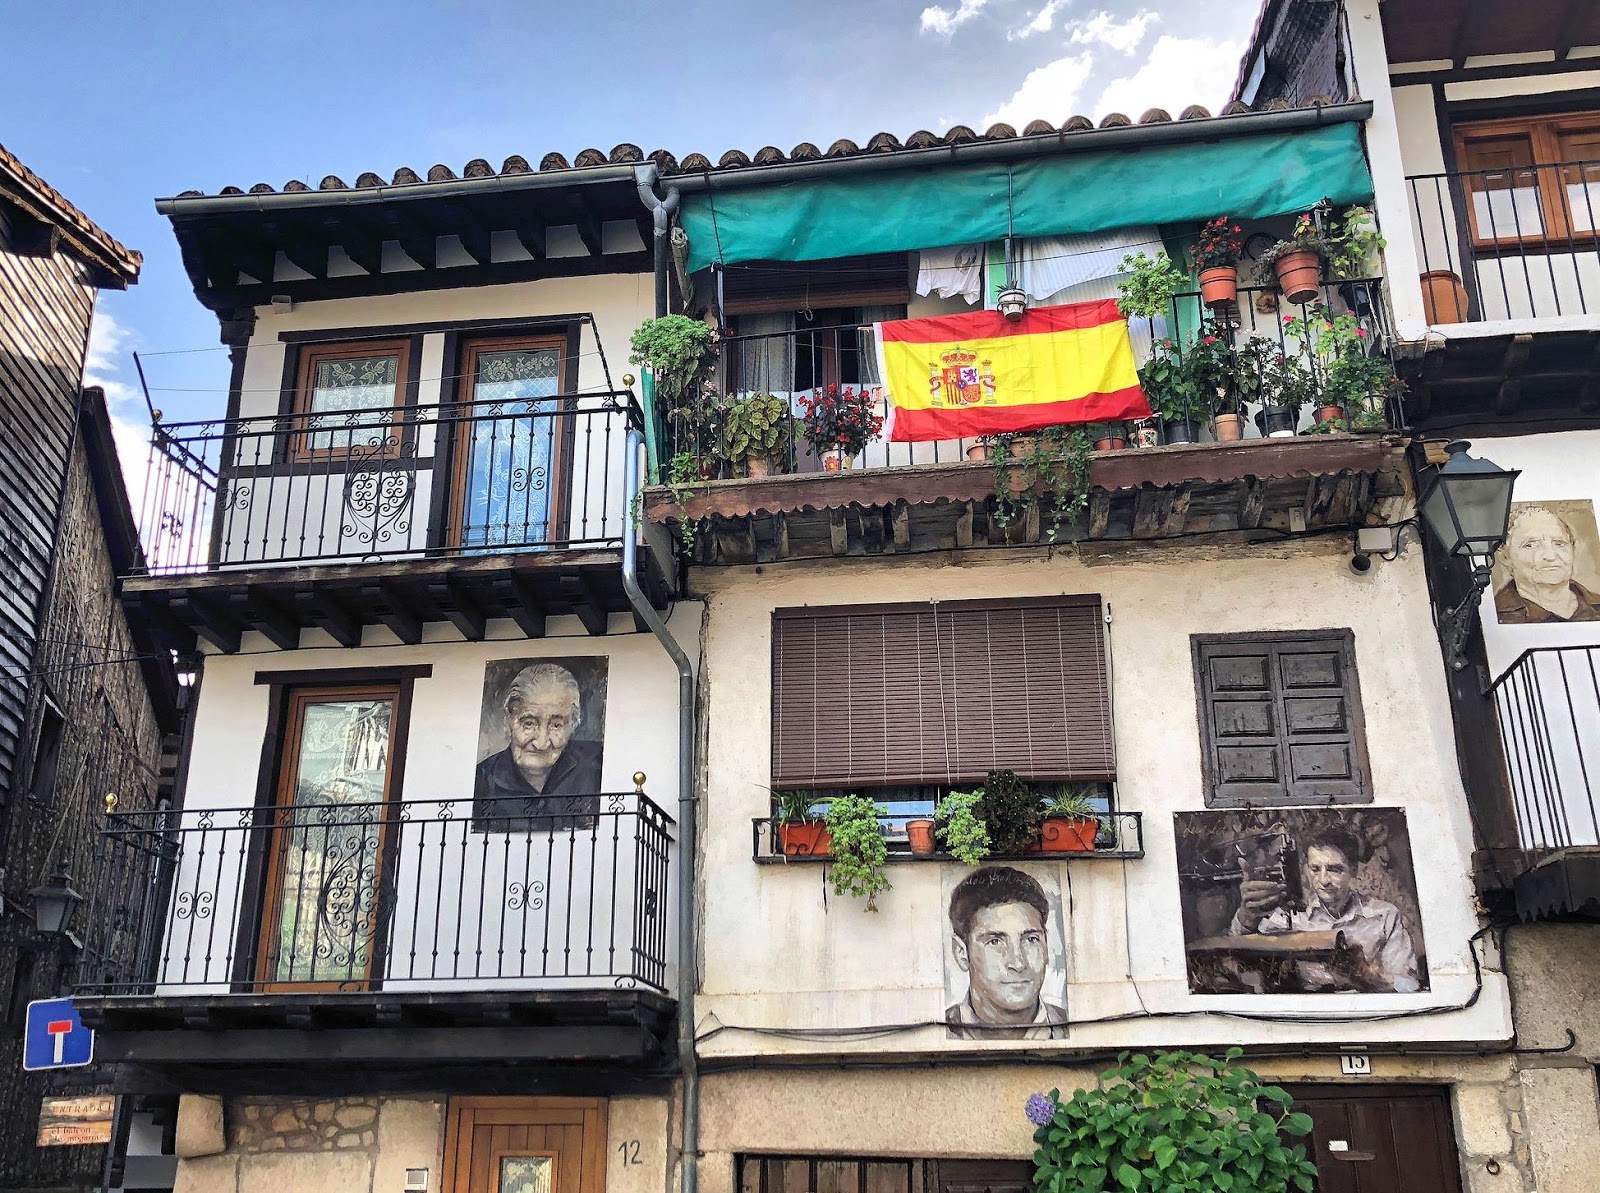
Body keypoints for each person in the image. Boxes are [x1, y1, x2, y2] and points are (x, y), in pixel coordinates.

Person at [1231, 829, 1420, 993]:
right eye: (1315, 869)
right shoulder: (1291, 917)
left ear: (1353, 870)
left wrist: (1367, 975)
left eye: (1334, 870)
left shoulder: (1385, 915)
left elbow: (1410, 985)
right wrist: (1247, 918)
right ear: (1306, 870)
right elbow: (1238, 954)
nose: (1323, 880)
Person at [473, 663, 602, 829]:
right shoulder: (481, 781)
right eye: (529, 723)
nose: (541, 743)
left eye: (556, 725)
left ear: (573, 725)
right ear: (508, 720)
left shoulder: (597, 764)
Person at [945, 866, 1068, 1040]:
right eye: (995, 942)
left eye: (1031, 939)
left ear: (1046, 946)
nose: (1018, 963)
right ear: (961, 953)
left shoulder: (1071, 1026)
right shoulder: (939, 1032)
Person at [1494, 505, 1600, 623]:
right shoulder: (1495, 615)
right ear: (1505, 557)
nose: (1550, 556)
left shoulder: (1597, 605)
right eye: (1531, 545)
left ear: (1572, 548)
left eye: (1559, 543)